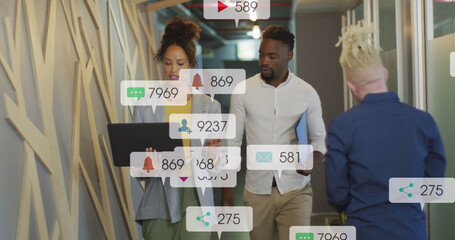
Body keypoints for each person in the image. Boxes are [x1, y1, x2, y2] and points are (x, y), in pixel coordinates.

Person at [326, 21, 446, 240]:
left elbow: (337, 194)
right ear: (385, 73)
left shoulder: (342, 126)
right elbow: (434, 182)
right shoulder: (423, 121)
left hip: (363, 231)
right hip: (411, 231)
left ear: (351, 86)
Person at [223, 25, 327, 240]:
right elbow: (232, 142)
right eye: (261, 55)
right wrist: (226, 187)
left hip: (295, 191)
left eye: (272, 56)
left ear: (289, 55)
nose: (264, 62)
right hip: (256, 192)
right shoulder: (243, 91)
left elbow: (319, 139)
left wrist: (312, 161)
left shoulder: (306, 93)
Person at [133, 17, 221, 240]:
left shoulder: (210, 107)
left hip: (197, 200)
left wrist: (213, 156)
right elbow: (138, 170)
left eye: (180, 64)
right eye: (168, 62)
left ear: (192, 64)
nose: (173, 70)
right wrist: (147, 165)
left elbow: (215, 168)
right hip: (158, 201)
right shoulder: (145, 105)